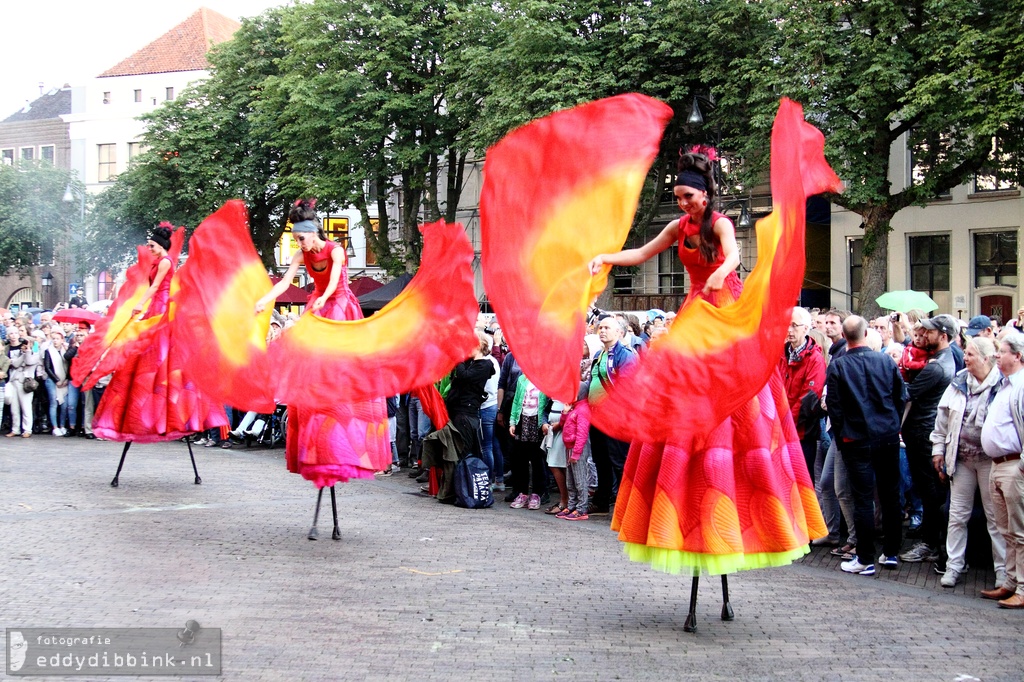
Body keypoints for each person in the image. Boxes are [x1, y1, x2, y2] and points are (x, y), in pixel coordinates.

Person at [587, 149, 824, 575]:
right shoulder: (680, 226)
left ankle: (739, 475)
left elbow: (733, 255)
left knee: (739, 398)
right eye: (677, 198)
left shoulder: (720, 222)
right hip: (697, 311)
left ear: (703, 193)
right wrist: (606, 257)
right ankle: (687, 468)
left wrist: (719, 273)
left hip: (726, 311)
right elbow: (642, 253)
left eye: (687, 197)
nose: (682, 204)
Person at [255, 199, 390, 488]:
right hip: (318, 304)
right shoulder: (300, 255)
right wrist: (264, 300)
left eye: (301, 238)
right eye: (295, 240)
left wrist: (324, 300)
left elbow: (333, 283)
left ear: (313, 232)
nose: (299, 244)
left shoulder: (336, 250)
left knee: (336, 356)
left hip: (339, 304)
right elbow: (284, 282)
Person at [92, 225, 228, 443]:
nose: (150, 249)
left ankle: (163, 386)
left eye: (152, 245)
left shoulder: (165, 262)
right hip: (156, 306)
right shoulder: (159, 262)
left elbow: (155, 287)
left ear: (161, 246)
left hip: (163, 306)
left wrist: (139, 304)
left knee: (161, 346)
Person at [825, 316, 907, 576]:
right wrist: (892, 424)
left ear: (846, 336)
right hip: (885, 436)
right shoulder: (884, 360)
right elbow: (899, 395)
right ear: (865, 333)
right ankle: (891, 552)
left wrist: (841, 435)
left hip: (856, 439)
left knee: (862, 498)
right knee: (889, 494)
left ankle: (865, 557)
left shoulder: (838, 366)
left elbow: (835, 408)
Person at [930, 336, 1007, 589]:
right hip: (961, 459)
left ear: (987, 358)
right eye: (966, 353)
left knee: (995, 518)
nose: (965, 358)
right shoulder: (959, 381)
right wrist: (938, 451)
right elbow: (942, 421)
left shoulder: (1003, 384)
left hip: (990, 460)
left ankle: (1003, 573)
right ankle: (953, 566)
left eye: (971, 354)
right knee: (957, 516)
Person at [900, 314, 958, 564]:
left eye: (929, 333)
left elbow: (908, 393)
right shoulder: (940, 359)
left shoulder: (936, 366)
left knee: (930, 490)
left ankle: (931, 543)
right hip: (924, 430)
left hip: (924, 432)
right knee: (929, 490)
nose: (923, 336)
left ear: (942, 336)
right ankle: (932, 541)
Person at [978, 334, 1024, 608]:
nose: (997, 356)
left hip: (1013, 465)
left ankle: (1022, 586)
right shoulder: (1005, 385)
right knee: (1006, 529)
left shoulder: (1020, 386)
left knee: (1019, 531)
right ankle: (1010, 581)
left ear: (1017, 356)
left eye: (1003, 352)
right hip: (999, 464)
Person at [780, 306, 826, 482]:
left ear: (806, 328)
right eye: (786, 325)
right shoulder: (782, 353)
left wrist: (786, 422)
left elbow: (809, 397)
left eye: (794, 326)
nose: (789, 330)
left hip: (801, 432)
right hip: (780, 429)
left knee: (801, 482)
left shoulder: (814, 359)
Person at [5, 338, 38, 438]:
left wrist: (28, 351)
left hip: (25, 383)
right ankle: (15, 429)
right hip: (14, 381)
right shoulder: (20, 353)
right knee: (14, 408)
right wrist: (23, 353)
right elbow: (14, 363)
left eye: (27, 344)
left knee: (26, 407)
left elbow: (29, 362)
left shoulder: (35, 353)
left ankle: (27, 429)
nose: (24, 346)